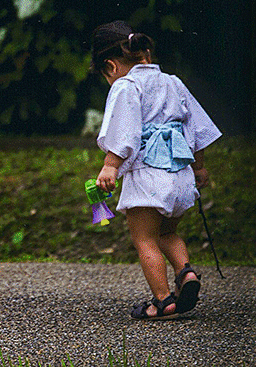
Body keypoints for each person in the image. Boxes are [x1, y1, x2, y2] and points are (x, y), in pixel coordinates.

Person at [90, 21, 221, 320]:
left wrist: (110, 166)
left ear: (110, 66)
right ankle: (186, 273)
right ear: (145, 54)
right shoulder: (173, 82)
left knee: (145, 238)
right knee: (168, 232)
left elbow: (124, 132)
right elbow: (196, 127)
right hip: (180, 175)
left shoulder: (126, 86)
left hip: (149, 176)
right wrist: (199, 167)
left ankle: (162, 301)